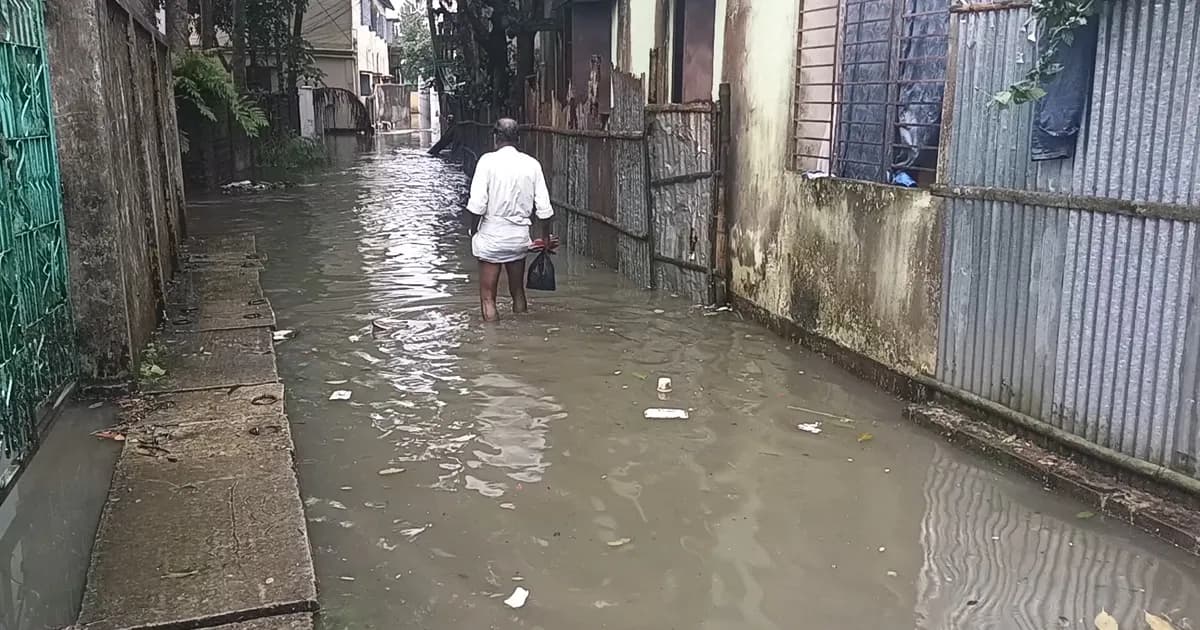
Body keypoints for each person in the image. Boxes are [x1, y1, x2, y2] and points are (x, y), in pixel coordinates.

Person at [466, 118, 554, 322]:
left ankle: (492, 337)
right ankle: (522, 332)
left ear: (495, 137)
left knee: (488, 298)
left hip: (491, 238)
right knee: (518, 292)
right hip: (518, 239)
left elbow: (477, 206)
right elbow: (544, 211)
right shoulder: (532, 164)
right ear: (518, 139)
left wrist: (473, 231)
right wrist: (545, 238)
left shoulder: (486, 162)